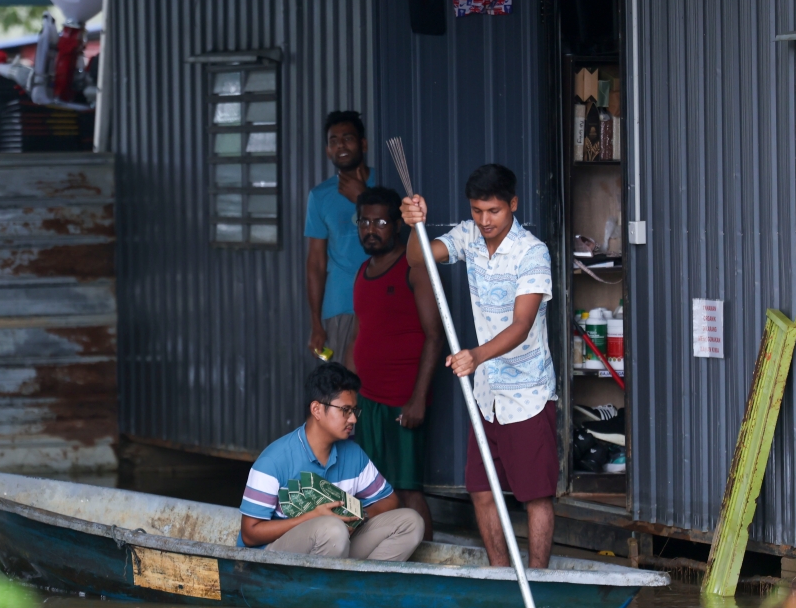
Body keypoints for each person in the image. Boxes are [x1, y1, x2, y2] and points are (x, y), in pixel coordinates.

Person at [400, 164, 557, 569]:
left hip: (527, 394)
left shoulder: (532, 252)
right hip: (486, 395)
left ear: (513, 206)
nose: (484, 221)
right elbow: (418, 259)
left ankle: (539, 579)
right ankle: (501, 575)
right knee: (481, 490)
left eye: (494, 211)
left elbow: (522, 326)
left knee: (535, 495)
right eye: (477, 211)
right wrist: (414, 224)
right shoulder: (468, 236)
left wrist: (476, 356)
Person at [238, 362, 424, 561]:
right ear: (317, 409)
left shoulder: (353, 455)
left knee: (411, 522)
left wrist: (354, 518)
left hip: (336, 542)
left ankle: (362, 588)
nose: (353, 419)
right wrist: (312, 518)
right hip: (273, 558)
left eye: (355, 411)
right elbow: (250, 534)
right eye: (345, 410)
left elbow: (390, 500)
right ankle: (320, 589)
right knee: (332, 529)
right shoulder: (274, 461)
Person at [344, 186, 443, 540]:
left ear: (398, 225)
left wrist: (418, 399)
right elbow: (358, 335)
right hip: (367, 400)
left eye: (381, 222)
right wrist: (342, 397)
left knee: (407, 490)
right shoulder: (361, 271)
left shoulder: (413, 267)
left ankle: (429, 568)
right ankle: (384, 559)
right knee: (371, 489)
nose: (371, 229)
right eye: (364, 222)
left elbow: (435, 335)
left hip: (402, 401)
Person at [305, 110, 376, 363]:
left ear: (363, 144)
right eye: (333, 141)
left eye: (348, 138)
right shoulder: (320, 196)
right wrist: (315, 322)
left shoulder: (384, 185)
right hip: (340, 307)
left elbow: (402, 238)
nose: (340, 146)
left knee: (379, 388)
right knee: (344, 392)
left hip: (382, 301)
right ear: (327, 150)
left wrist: (363, 198)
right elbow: (315, 263)